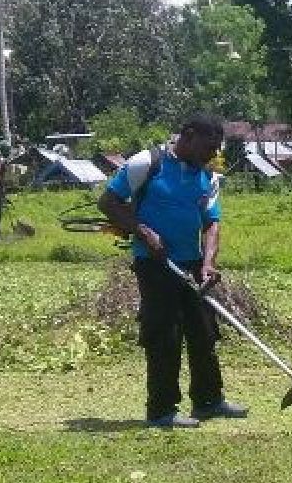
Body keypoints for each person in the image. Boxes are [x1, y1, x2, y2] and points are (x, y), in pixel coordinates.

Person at [98, 115, 248, 429]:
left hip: (193, 264)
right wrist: (143, 232)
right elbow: (109, 202)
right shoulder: (146, 164)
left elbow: (212, 223)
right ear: (189, 136)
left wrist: (208, 264)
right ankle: (161, 411)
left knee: (204, 331)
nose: (213, 154)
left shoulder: (206, 177)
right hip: (154, 265)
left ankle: (208, 401)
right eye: (209, 146)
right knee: (164, 334)